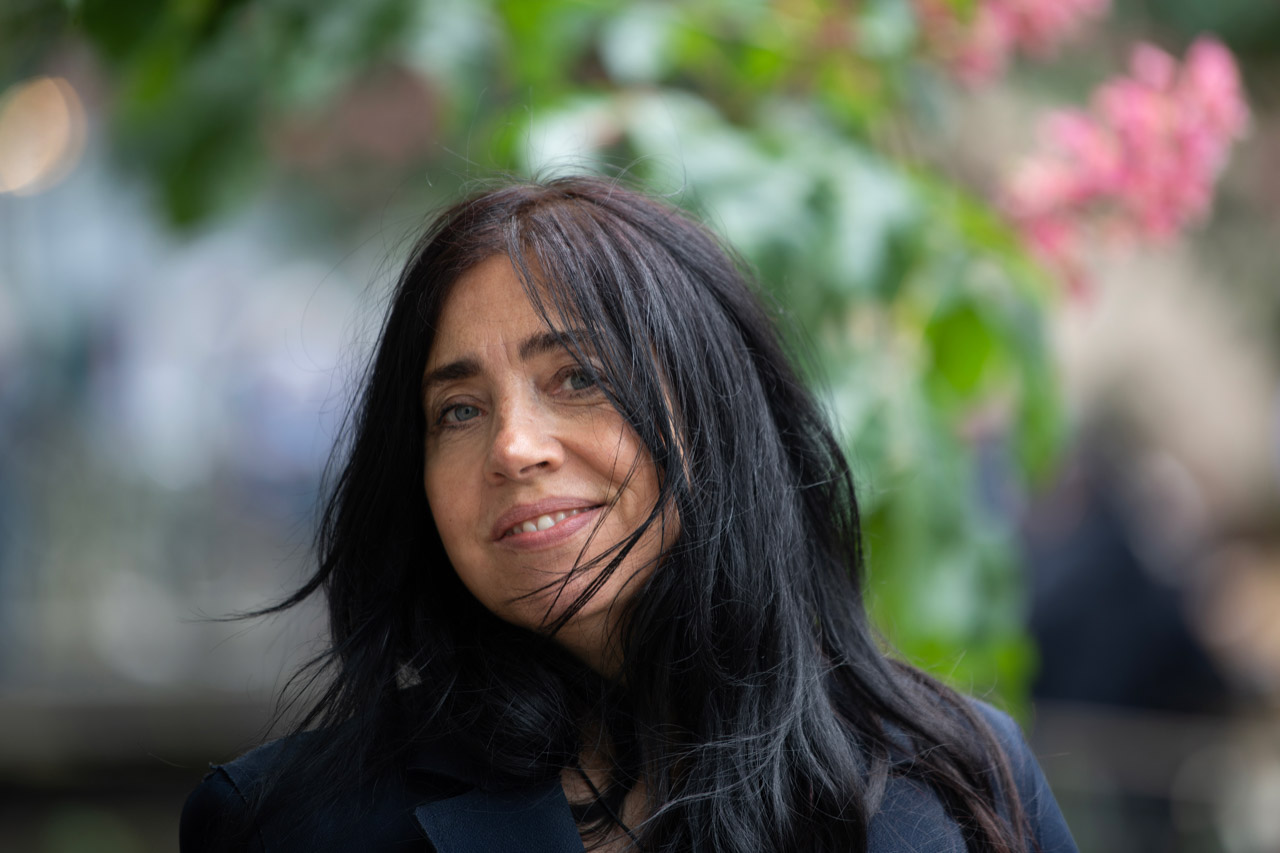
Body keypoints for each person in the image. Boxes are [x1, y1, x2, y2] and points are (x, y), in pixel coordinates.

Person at [180, 176, 1077, 852]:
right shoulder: (287, 823)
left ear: (717, 413)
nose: (512, 446)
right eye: (458, 409)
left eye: (577, 376)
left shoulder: (965, 782)